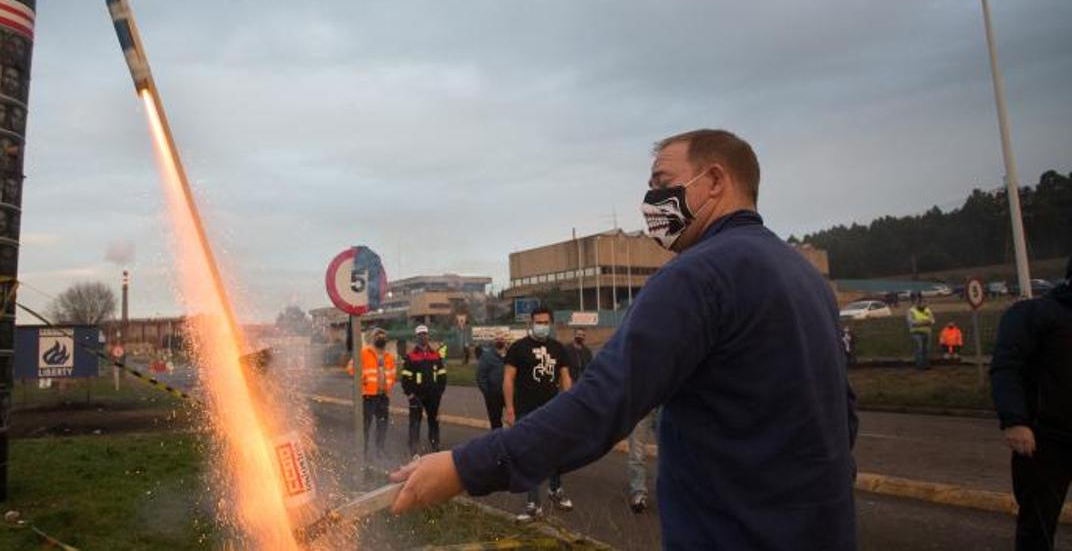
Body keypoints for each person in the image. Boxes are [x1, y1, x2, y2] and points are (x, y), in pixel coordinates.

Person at [390, 129, 857, 550]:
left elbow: (601, 403)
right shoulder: (806, 277)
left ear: (715, 180)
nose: (651, 200)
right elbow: (844, 417)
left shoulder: (697, 276)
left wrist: (465, 467)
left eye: (661, 182)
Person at [990, 257, 1072, 551]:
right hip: (1043, 441)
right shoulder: (1036, 313)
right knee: (1037, 527)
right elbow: (1006, 367)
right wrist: (1015, 421)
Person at [504, 307, 574, 521]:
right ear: (530, 323)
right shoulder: (518, 348)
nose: (541, 325)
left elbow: (565, 377)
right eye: (538, 322)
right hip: (526, 409)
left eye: (545, 322)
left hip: (552, 409)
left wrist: (568, 403)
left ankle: (555, 489)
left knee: (554, 452)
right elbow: (508, 379)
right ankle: (533, 503)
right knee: (530, 455)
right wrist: (510, 409)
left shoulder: (558, 348)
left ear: (550, 323)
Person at [347, 327, 397, 460]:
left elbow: (392, 374)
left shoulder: (389, 357)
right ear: (373, 339)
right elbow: (351, 368)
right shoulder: (364, 353)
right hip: (368, 396)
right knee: (365, 426)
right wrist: (363, 379)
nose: (381, 339)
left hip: (383, 396)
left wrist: (389, 386)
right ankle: (363, 452)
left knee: (382, 425)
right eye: (378, 336)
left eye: (383, 337)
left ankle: (380, 450)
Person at [401, 324, 447, 455]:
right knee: (415, 421)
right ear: (416, 337)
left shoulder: (435, 356)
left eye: (425, 334)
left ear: (428, 336)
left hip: (433, 395)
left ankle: (435, 444)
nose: (423, 337)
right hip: (416, 395)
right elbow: (405, 378)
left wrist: (439, 392)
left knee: (434, 420)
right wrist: (410, 394)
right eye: (420, 334)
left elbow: (442, 375)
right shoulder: (411, 357)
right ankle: (413, 447)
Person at [474, 336, 507, 430]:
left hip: (510, 393)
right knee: (495, 421)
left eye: (502, 338)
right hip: (493, 394)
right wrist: (488, 393)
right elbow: (480, 376)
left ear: (505, 340)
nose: (499, 340)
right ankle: (497, 441)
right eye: (497, 338)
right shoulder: (486, 356)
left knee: (516, 418)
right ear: (494, 341)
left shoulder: (511, 355)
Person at [908, 296, 935, 370]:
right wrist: (924, 322)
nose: (924, 304)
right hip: (916, 332)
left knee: (926, 349)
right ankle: (920, 365)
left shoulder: (927, 310)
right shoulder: (912, 311)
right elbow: (912, 322)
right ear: (918, 303)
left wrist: (928, 322)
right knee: (919, 349)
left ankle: (926, 364)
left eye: (925, 302)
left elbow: (932, 320)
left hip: (927, 332)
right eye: (922, 303)